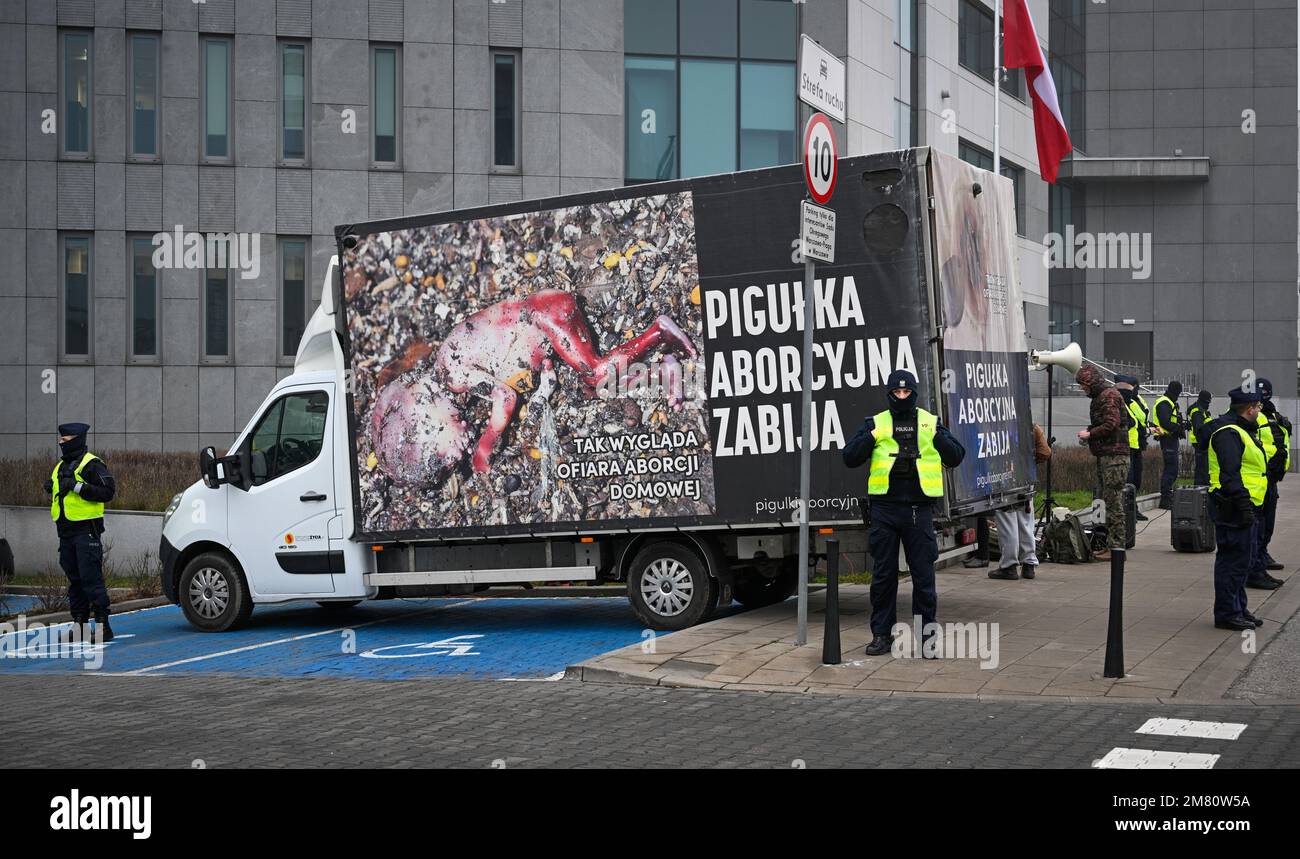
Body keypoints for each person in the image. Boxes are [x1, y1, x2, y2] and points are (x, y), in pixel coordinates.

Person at [843, 369, 965, 657]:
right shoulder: (876, 423)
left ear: (914, 393)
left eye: (906, 392)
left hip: (918, 510)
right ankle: (882, 636)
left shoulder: (929, 422)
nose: (901, 397)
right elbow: (849, 457)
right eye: (896, 393)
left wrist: (938, 437)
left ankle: (927, 638)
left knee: (924, 578)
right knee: (883, 577)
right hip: (884, 509)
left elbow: (956, 456)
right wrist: (870, 437)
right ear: (889, 395)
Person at [47, 422, 117, 641]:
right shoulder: (60, 467)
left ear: (77, 440)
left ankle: (103, 626)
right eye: (60, 440)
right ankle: (79, 625)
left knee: (90, 578)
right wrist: (50, 486)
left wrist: (77, 487)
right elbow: (59, 490)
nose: (61, 443)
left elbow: (108, 491)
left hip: (86, 531)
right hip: (66, 532)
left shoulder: (92, 465)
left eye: (65, 440)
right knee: (75, 579)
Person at [1205, 389, 1268, 630]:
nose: (1260, 412)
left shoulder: (1241, 431)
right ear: (1250, 408)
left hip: (1245, 505)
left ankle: (1238, 607)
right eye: (1259, 408)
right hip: (1233, 506)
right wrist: (1243, 505)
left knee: (1243, 560)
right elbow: (1229, 475)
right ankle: (1227, 613)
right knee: (1231, 562)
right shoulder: (1228, 434)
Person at [1075, 365, 1129, 560]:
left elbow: (1111, 424)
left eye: (1083, 385)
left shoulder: (1108, 396)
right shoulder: (1103, 396)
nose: (1082, 389)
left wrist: (1090, 434)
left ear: (1091, 383)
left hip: (1114, 458)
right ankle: (1109, 545)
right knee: (1103, 501)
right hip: (1107, 456)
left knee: (1114, 503)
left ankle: (1117, 549)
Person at [988, 423, 1051, 580]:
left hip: (1002, 476)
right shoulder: (1031, 426)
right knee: (1026, 522)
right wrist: (1028, 462)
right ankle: (1029, 564)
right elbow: (1045, 452)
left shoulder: (995, 426)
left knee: (1007, 522)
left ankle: (1009, 566)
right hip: (1025, 478)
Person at [1250, 378, 1290, 586]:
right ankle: (1256, 564)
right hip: (1259, 477)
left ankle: (1262, 555)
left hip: (1272, 477)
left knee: (1268, 522)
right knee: (1259, 522)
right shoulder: (1253, 415)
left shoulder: (1274, 414)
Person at [1116, 374, 1149, 520]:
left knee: (1136, 480)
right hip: (1126, 446)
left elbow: (1139, 420)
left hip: (1136, 445)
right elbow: (1128, 423)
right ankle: (1129, 512)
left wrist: (1148, 429)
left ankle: (1133, 509)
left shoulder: (1134, 401)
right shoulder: (1121, 403)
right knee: (1128, 480)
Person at [1152, 381, 1184, 509]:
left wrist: (1180, 427)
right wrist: (1178, 428)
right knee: (1171, 470)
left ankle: (1167, 497)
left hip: (1171, 438)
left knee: (1173, 469)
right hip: (1167, 438)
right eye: (1178, 393)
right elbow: (1165, 422)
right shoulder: (1164, 402)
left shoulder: (1169, 402)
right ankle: (1165, 499)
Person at [1187, 390, 1213, 487]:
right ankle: (1199, 491)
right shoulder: (1197, 412)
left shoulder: (1201, 410)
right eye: (1208, 402)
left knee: (1203, 469)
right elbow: (1199, 430)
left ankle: (1201, 490)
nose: (1209, 404)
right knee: (1202, 470)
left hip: (1203, 443)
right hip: (1200, 444)